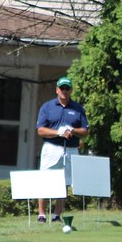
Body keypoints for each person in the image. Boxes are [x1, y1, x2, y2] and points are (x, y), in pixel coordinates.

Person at [36, 76, 88, 222]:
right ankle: (41, 214)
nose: (64, 91)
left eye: (67, 88)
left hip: (70, 149)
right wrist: (58, 132)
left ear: (71, 90)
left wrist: (72, 130)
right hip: (51, 148)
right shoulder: (47, 107)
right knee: (45, 180)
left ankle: (57, 215)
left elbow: (85, 131)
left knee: (64, 182)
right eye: (62, 88)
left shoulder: (78, 108)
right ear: (57, 90)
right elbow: (40, 130)